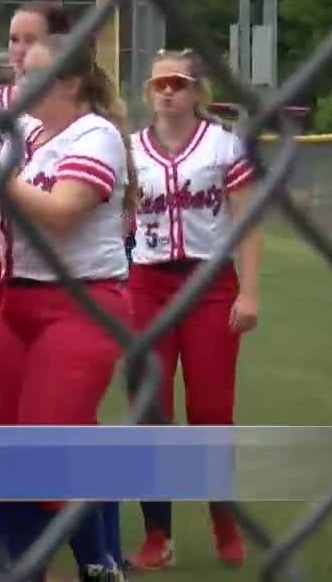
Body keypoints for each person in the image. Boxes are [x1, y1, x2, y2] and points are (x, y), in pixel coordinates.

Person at [0, 33, 134, 582]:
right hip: (18, 301)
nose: (18, 82)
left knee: (44, 461)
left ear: (69, 82)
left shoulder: (98, 135)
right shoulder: (25, 132)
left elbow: (61, 213)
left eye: (32, 73)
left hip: (81, 305)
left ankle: (80, 559)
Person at [126, 49, 261, 571]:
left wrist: (249, 292)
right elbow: (118, 224)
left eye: (179, 83)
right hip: (147, 284)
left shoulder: (225, 146)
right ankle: (158, 532)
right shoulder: (129, 150)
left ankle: (223, 520)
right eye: (160, 83)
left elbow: (246, 224)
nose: (168, 92)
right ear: (148, 91)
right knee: (149, 411)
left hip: (209, 284)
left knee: (210, 411)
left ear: (197, 92)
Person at [0, 2, 73, 428]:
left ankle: (72, 491)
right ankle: (4, 491)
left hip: (54, 257)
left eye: (32, 40)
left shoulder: (74, 111)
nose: (19, 51)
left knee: (56, 398)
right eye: (14, 40)